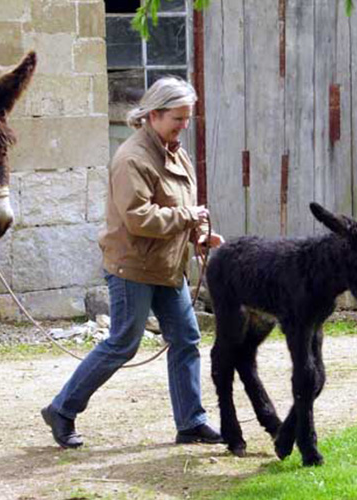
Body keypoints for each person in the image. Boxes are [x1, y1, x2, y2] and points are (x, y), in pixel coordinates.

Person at [42, 76, 225, 449]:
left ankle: (191, 422)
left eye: (187, 118)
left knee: (187, 339)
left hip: (166, 267)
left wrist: (200, 237)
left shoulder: (177, 151)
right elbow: (139, 218)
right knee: (123, 343)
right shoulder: (131, 158)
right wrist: (189, 218)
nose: (184, 126)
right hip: (132, 267)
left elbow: (181, 205)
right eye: (178, 118)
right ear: (154, 115)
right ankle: (62, 409)